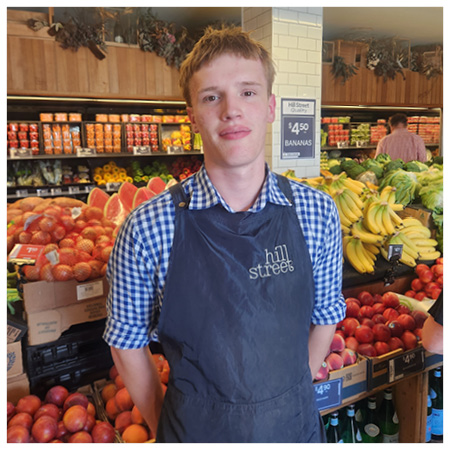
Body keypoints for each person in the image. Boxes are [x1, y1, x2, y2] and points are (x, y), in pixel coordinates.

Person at [103, 26, 346, 443]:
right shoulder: (145, 229)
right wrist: (168, 424)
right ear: (192, 114)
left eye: (248, 93)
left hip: (294, 430)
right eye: (212, 96)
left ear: (270, 107)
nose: (231, 110)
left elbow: (325, 316)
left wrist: (282, 397)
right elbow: (126, 343)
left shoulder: (317, 212)